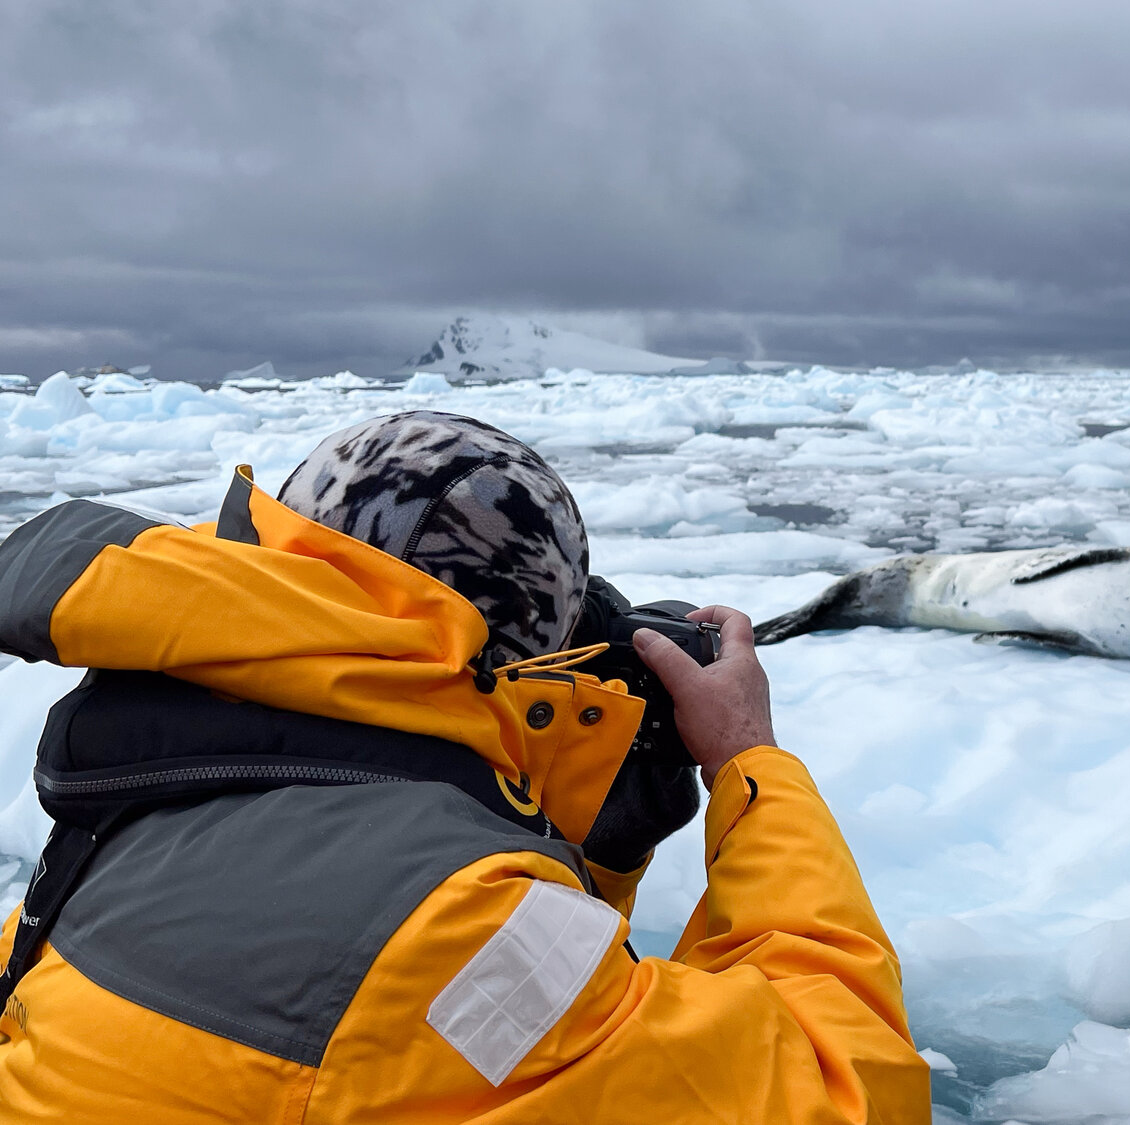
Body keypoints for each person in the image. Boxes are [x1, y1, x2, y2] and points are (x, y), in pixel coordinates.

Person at [0, 410, 930, 1123]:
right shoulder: (457, 924)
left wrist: (560, 831)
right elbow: (846, 1087)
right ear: (522, 655)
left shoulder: (125, 814)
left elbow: (458, 1060)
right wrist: (748, 761)